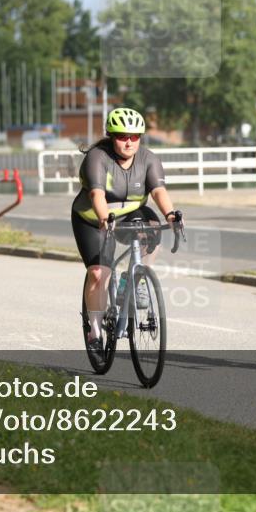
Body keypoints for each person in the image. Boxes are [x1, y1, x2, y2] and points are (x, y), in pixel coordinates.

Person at [71, 107, 182, 351]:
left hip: (128, 213)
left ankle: (136, 277)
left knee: (154, 227)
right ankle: (96, 331)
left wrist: (171, 215)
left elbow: (158, 191)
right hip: (92, 219)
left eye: (135, 136)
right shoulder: (97, 158)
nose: (129, 142)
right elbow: (96, 194)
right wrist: (104, 218)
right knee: (99, 275)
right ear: (112, 136)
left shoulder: (149, 159)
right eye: (122, 136)